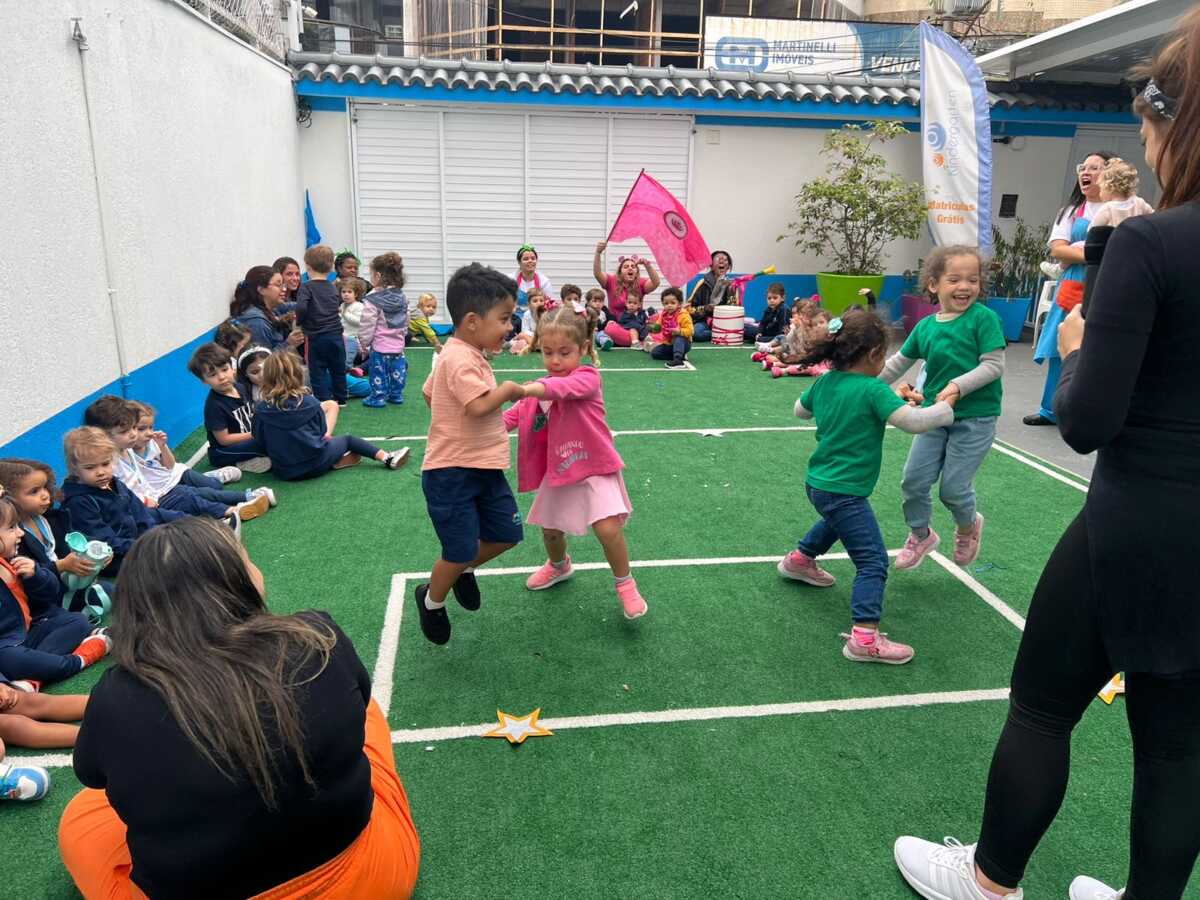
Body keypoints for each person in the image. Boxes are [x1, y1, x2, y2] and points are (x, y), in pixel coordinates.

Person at [894, 14, 1200, 899]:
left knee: (1041, 705)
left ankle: (989, 881)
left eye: (1148, 130)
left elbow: (1086, 420)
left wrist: (1077, 340)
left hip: (1137, 521)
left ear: (1177, 124)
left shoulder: (1150, 243)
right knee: (1179, 747)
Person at [58, 517, 421, 898]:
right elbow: (358, 700)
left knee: (83, 817)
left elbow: (92, 774)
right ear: (236, 581)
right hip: (372, 880)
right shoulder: (316, 637)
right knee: (368, 717)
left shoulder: (114, 696)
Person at [780, 308, 955, 665]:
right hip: (845, 490)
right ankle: (864, 638)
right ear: (875, 354)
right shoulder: (874, 389)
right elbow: (914, 423)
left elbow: (800, 410)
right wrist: (945, 409)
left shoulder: (826, 381)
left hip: (819, 484)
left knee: (835, 520)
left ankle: (800, 560)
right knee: (873, 561)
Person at [504, 304, 647, 618]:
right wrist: (480, 420)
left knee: (608, 529)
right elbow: (511, 418)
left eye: (564, 352)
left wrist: (526, 390)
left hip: (595, 466)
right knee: (551, 530)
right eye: (547, 352)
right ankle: (559, 565)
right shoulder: (541, 387)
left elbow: (563, 388)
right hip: (562, 468)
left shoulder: (587, 377)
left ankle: (625, 583)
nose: (555, 360)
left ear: (583, 348)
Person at [414, 263, 525, 646]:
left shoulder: (465, 352)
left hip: (485, 468)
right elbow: (478, 407)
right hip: (451, 474)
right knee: (458, 549)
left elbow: (430, 393)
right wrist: (509, 390)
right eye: (504, 318)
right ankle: (431, 599)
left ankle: (461, 569)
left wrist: (449, 421)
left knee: (507, 534)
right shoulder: (459, 358)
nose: (509, 326)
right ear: (473, 321)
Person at [879, 246, 1004, 570]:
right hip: (934, 417)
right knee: (913, 481)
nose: (965, 286)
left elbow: (993, 365)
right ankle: (920, 535)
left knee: (953, 490)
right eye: (955, 279)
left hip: (975, 419)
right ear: (934, 284)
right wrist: (862, 385)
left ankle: (968, 527)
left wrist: (957, 386)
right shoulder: (925, 327)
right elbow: (898, 363)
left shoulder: (984, 319)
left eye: (973, 280)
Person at [1023, 150, 1113, 427]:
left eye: (1095, 168)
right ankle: (1051, 409)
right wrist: (1098, 254)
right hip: (1074, 283)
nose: (1086, 172)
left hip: (1109, 282)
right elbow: (1058, 250)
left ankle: (1093, 412)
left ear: (1110, 174)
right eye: (1083, 167)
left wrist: (1081, 253)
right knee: (1062, 344)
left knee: (1101, 348)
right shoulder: (1071, 212)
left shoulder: (1122, 209)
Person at [84, 395, 270, 527]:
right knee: (188, 504)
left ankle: (243, 500)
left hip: (160, 492)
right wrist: (147, 500)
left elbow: (165, 468)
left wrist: (162, 447)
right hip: (151, 503)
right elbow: (122, 494)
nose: (133, 434)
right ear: (104, 436)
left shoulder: (127, 449)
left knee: (199, 493)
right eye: (125, 431)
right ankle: (228, 515)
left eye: (133, 428)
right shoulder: (112, 462)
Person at [0, 494, 110, 685]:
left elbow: (49, 594)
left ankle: (32, 676)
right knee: (12, 658)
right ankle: (80, 659)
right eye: (11, 528)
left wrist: (36, 575)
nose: (20, 533)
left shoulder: (12, 561)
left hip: (27, 633)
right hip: (6, 647)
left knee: (77, 621)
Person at [252, 351, 409, 480]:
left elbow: (259, 439)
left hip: (284, 471)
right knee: (347, 439)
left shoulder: (261, 409)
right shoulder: (310, 403)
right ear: (298, 374)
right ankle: (387, 457)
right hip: (317, 464)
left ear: (266, 378)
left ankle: (337, 459)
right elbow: (321, 433)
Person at [60, 427, 187, 574]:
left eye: (105, 464)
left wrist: (152, 537)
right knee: (170, 562)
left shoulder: (114, 483)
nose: (100, 472)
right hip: (114, 556)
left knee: (180, 530)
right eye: (90, 468)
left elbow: (141, 514)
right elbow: (105, 541)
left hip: (134, 539)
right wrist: (146, 547)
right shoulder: (78, 502)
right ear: (74, 468)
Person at [1, 458, 110, 617]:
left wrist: (98, 549)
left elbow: (75, 538)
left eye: (45, 487)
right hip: (44, 601)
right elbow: (27, 577)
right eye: (34, 491)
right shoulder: (13, 538)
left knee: (110, 590)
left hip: (69, 586)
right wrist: (61, 566)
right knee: (75, 620)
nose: (45, 495)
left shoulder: (49, 518)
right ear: (9, 498)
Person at [189, 343, 272, 473]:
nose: (221, 377)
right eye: (213, 375)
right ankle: (242, 463)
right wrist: (256, 433)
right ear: (204, 381)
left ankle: (254, 456)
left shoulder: (241, 388)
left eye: (224, 369)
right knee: (263, 442)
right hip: (223, 452)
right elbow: (224, 440)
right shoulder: (214, 405)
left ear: (232, 368)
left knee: (271, 436)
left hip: (247, 439)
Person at [297, 244, 347, 406]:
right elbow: (335, 305)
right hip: (336, 335)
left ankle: (324, 400)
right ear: (331, 267)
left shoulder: (306, 287)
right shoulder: (333, 287)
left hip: (316, 336)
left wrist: (300, 321)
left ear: (308, 266)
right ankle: (341, 399)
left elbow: (302, 307)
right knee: (338, 368)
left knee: (317, 370)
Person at [358, 252, 411, 408]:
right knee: (397, 371)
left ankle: (378, 397)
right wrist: (403, 333)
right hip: (398, 345)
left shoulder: (373, 298)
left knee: (378, 373)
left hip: (380, 346)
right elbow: (406, 317)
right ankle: (396, 394)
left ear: (378, 275)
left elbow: (368, 323)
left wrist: (364, 342)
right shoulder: (401, 296)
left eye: (371, 275)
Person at [594, 240, 661, 347]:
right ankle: (644, 340)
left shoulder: (641, 283)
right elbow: (597, 273)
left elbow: (656, 282)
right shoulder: (611, 281)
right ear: (620, 272)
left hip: (638, 325)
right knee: (610, 329)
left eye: (633, 266)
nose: (630, 268)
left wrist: (647, 265)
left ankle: (634, 340)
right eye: (625, 267)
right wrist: (598, 252)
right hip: (620, 326)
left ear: (636, 272)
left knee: (658, 318)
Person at [229, 266, 303, 353]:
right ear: (261, 290)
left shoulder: (268, 307)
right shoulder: (257, 322)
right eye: (278, 285)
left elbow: (291, 306)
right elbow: (262, 358)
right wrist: (289, 344)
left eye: (283, 284)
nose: (284, 289)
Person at [1089, 157, 1156, 230]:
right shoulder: (1139, 202)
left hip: (1116, 237)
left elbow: (1091, 229)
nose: (1100, 192)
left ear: (1108, 187)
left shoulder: (1108, 208)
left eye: (1101, 188)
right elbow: (1155, 217)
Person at [686, 250, 738, 343]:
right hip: (705, 321)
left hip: (724, 322)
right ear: (711, 265)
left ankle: (724, 333)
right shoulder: (702, 283)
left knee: (751, 330)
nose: (722, 261)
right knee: (696, 333)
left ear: (728, 267)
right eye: (718, 258)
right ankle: (724, 334)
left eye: (725, 259)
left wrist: (724, 310)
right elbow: (691, 309)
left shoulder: (732, 285)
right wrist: (707, 308)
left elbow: (734, 309)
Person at [646, 286, 693, 368]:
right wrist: (652, 328)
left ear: (679, 303)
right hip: (668, 343)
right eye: (666, 303)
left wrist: (679, 331)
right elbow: (658, 328)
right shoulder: (663, 315)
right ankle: (680, 355)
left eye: (673, 303)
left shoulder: (683, 315)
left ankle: (678, 360)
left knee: (678, 338)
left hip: (683, 343)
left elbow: (691, 331)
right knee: (655, 353)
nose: (669, 305)